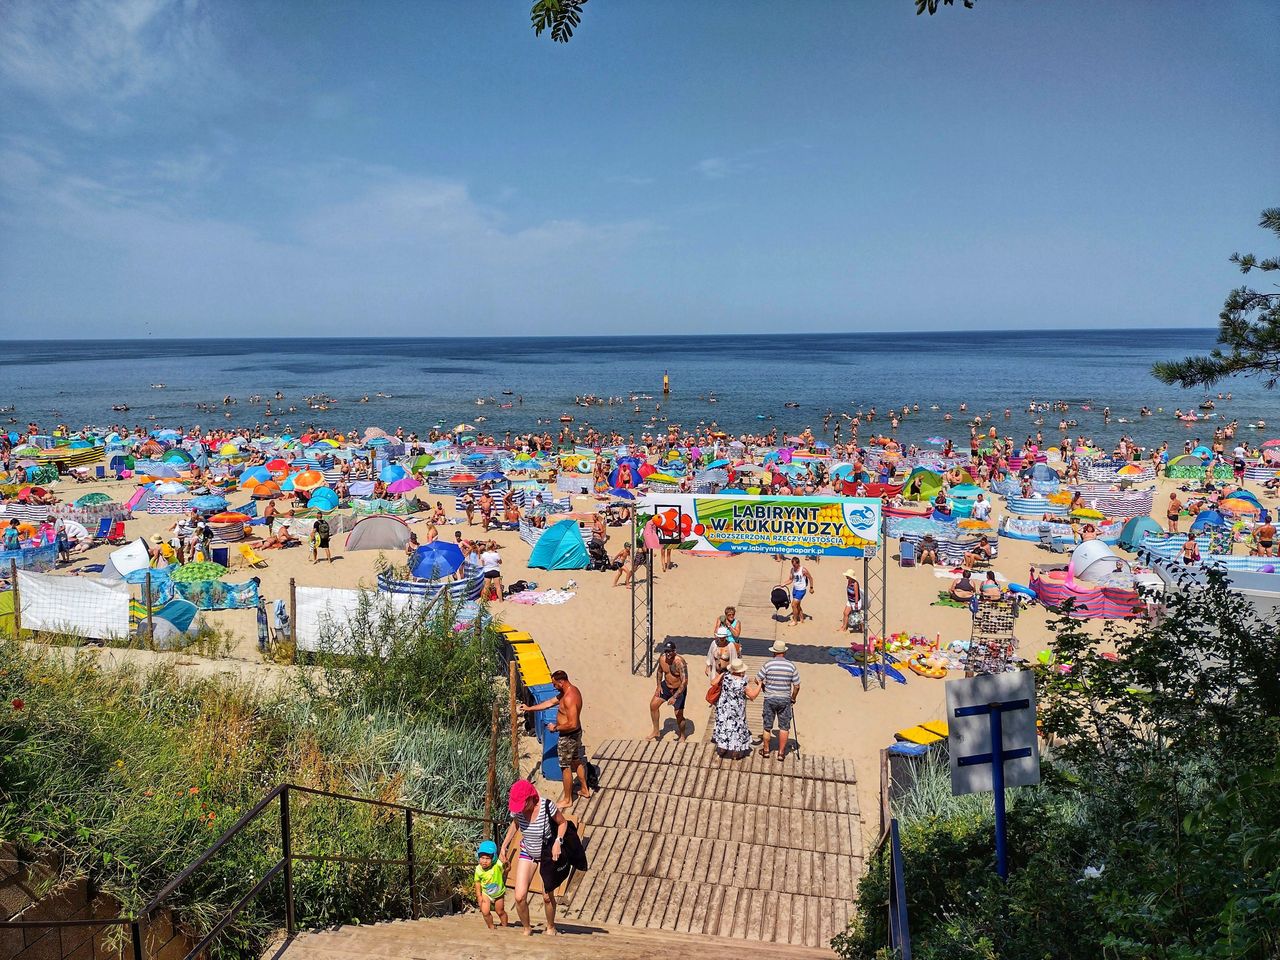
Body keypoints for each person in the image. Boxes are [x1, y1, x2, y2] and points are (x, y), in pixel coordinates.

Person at [499, 780, 568, 937]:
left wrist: (558, 841)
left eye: (523, 804)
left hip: (546, 854)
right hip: (528, 852)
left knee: (546, 897)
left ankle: (550, 926)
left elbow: (563, 823)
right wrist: (504, 845)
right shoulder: (518, 811)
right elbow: (515, 824)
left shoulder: (546, 806)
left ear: (531, 798)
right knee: (519, 896)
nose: (521, 809)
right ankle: (527, 928)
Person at [519, 670, 591, 807]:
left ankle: (567, 799)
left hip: (568, 736)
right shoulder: (569, 691)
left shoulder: (570, 698)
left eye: (554, 684)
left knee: (565, 767)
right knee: (576, 760)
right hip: (575, 734)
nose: (553, 687)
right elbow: (548, 703)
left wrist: (556, 728)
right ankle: (584, 789)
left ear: (561, 682)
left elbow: (573, 722)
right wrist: (529, 708)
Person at [757, 640, 800, 761]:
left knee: (767, 726)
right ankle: (781, 753)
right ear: (784, 652)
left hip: (770, 698)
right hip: (785, 699)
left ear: (774, 652)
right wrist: (793, 698)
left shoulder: (768, 664)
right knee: (784, 727)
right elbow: (797, 686)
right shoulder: (791, 666)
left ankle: (766, 751)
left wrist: (765, 689)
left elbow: (757, 679)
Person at [712, 658, 760, 759]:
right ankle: (735, 752)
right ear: (741, 670)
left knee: (724, 726)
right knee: (737, 728)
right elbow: (753, 696)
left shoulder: (725, 676)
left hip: (723, 708)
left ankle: (722, 748)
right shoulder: (742, 683)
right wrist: (760, 685)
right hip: (736, 710)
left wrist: (721, 674)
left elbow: (713, 683)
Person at [648, 641, 688, 741]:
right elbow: (659, 672)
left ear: (674, 651)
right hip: (666, 686)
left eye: (670, 651)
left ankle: (682, 735)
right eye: (666, 651)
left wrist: (674, 697)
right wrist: (658, 685)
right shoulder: (662, 659)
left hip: (678, 689)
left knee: (678, 715)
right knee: (653, 705)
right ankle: (656, 731)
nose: (668, 653)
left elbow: (684, 682)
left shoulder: (680, 662)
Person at [473, 840, 509, 930]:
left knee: (500, 911)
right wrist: (479, 896)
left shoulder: (497, 865)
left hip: (498, 893)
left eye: (487, 858)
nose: (484, 861)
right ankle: (491, 926)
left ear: (493, 858)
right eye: (482, 858)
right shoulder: (478, 869)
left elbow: (507, 868)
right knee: (485, 912)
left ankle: (505, 926)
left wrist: (506, 863)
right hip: (486, 893)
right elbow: (477, 882)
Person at [781, 556, 813, 625]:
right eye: (793, 565)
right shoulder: (792, 570)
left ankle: (795, 621)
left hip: (801, 590)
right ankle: (801, 618)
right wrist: (784, 584)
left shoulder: (803, 570)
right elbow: (791, 580)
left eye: (795, 565)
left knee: (793, 605)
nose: (794, 566)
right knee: (797, 605)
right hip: (795, 589)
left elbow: (810, 578)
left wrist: (811, 588)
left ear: (798, 564)